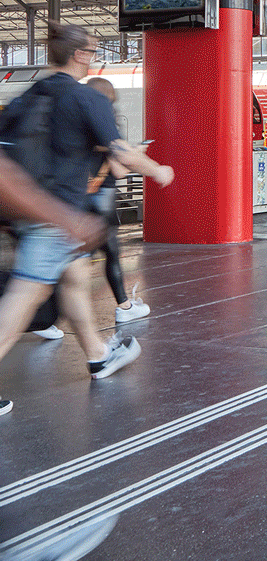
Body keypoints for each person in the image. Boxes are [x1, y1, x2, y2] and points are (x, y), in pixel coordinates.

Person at [0, 22, 174, 416]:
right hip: (59, 217)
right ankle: (96, 353)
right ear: (80, 55)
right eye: (93, 50)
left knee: (76, 278)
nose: (94, 56)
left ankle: (97, 354)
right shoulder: (85, 99)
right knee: (23, 298)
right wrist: (159, 170)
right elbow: (122, 154)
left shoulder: (29, 95)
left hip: (28, 212)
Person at [84, 77, 151, 325]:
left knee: (79, 257)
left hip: (78, 193)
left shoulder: (77, 120)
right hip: (103, 196)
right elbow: (119, 169)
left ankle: (44, 315)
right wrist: (136, 155)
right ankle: (124, 307)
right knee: (109, 252)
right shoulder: (104, 120)